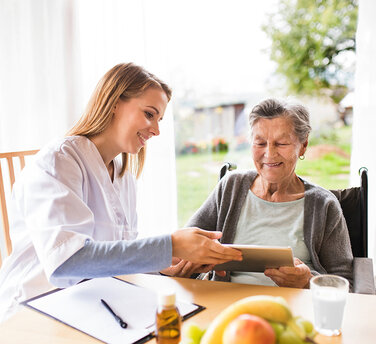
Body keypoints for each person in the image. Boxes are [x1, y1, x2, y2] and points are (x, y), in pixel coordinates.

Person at [0, 63, 242, 322]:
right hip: (35, 312)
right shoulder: (60, 160)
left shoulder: (123, 172)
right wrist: (171, 244)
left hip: (92, 306)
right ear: (114, 102)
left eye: (159, 119)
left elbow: (115, 258)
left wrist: (165, 268)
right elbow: (67, 264)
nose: (156, 130)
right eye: (149, 114)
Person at [186, 98, 353, 289]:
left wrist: (308, 282)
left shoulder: (324, 205)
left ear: (303, 145)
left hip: (296, 308)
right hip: (228, 304)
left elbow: (347, 282)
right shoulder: (231, 186)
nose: (269, 154)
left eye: (281, 143)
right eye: (260, 143)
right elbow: (186, 244)